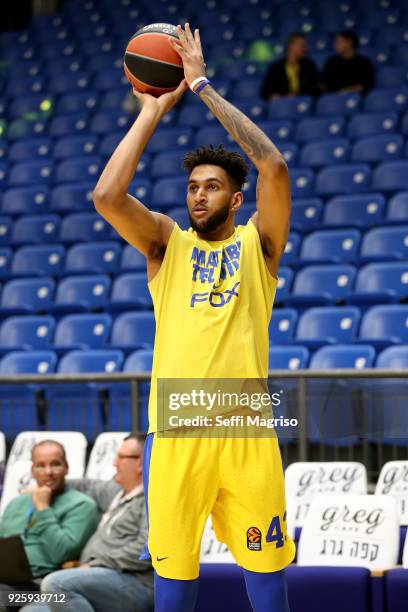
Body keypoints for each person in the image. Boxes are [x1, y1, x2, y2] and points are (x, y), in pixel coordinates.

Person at [93, 22, 295, 612]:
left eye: (212, 187)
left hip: (247, 430)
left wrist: (201, 85)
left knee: (268, 589)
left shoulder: (260, 246)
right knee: (174, 594)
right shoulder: (165, 244)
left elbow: (275, 168)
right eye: (192, 187)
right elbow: (107, 197)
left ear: (235, 199)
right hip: (176, 431)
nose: (198, 195)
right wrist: (153, 111)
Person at [21, 433, 153, 612]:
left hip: (134, 582)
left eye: (121, 457)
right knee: (32, 610)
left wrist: (97, 563)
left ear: (140, 462)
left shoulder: (152, 499)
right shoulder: (116, 492)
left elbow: (148, 548)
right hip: (97, 579)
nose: (114, 463)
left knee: (56, 583)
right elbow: (84, 485)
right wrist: (44, 486)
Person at [0, 440, 98, 610]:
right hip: (8, 581)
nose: (48, 472)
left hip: (47, 587)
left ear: (66, 468)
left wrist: (43, 508)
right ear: (32, 471)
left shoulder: (82, 505)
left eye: (55, 464)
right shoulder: (16, 503)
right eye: (40, 465)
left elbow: (62, 552)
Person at [260, 32, 320, 100]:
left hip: (304, 103)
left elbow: (315, 89)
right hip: (284, 105)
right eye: (302, 45)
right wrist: (278, 96)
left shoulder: (309, 66)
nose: (305, 49)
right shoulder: (276, 67)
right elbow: (265, 92)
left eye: (305, 46)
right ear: (291, 45)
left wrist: (296, 95)